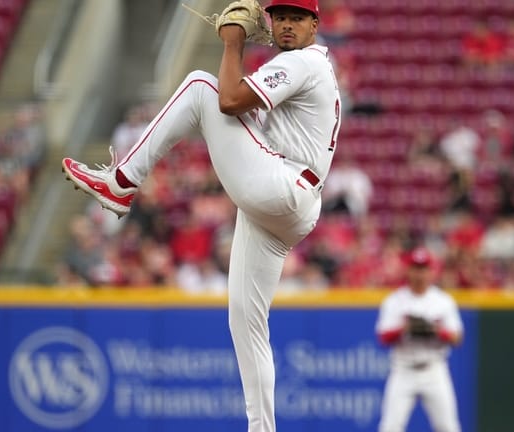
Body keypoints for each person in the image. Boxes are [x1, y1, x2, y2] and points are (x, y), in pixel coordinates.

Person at [61, 1, 341, 431]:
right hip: (288, 201)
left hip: (282, 185)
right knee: (246, 322)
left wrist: (233, 42)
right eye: (280, 15)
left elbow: (227, 100)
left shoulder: (304, 63)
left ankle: (121, 181)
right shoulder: (306, 67)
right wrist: (242, 47)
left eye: (297, 17)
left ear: (315, 25)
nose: (286, 23)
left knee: (198, 86)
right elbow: (243, 109)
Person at [375, 247, 463, 432]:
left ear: (432, 271)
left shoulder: (443, 301)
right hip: (403, 370)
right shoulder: (395, 300)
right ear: (408, 269)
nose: (420, 273)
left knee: (448, 427)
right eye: (416, 267)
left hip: (434, 369)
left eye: (424, 268)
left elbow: (457, 338)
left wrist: (437, 330)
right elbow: (383, 336)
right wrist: (404, 328)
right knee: (389, 428)